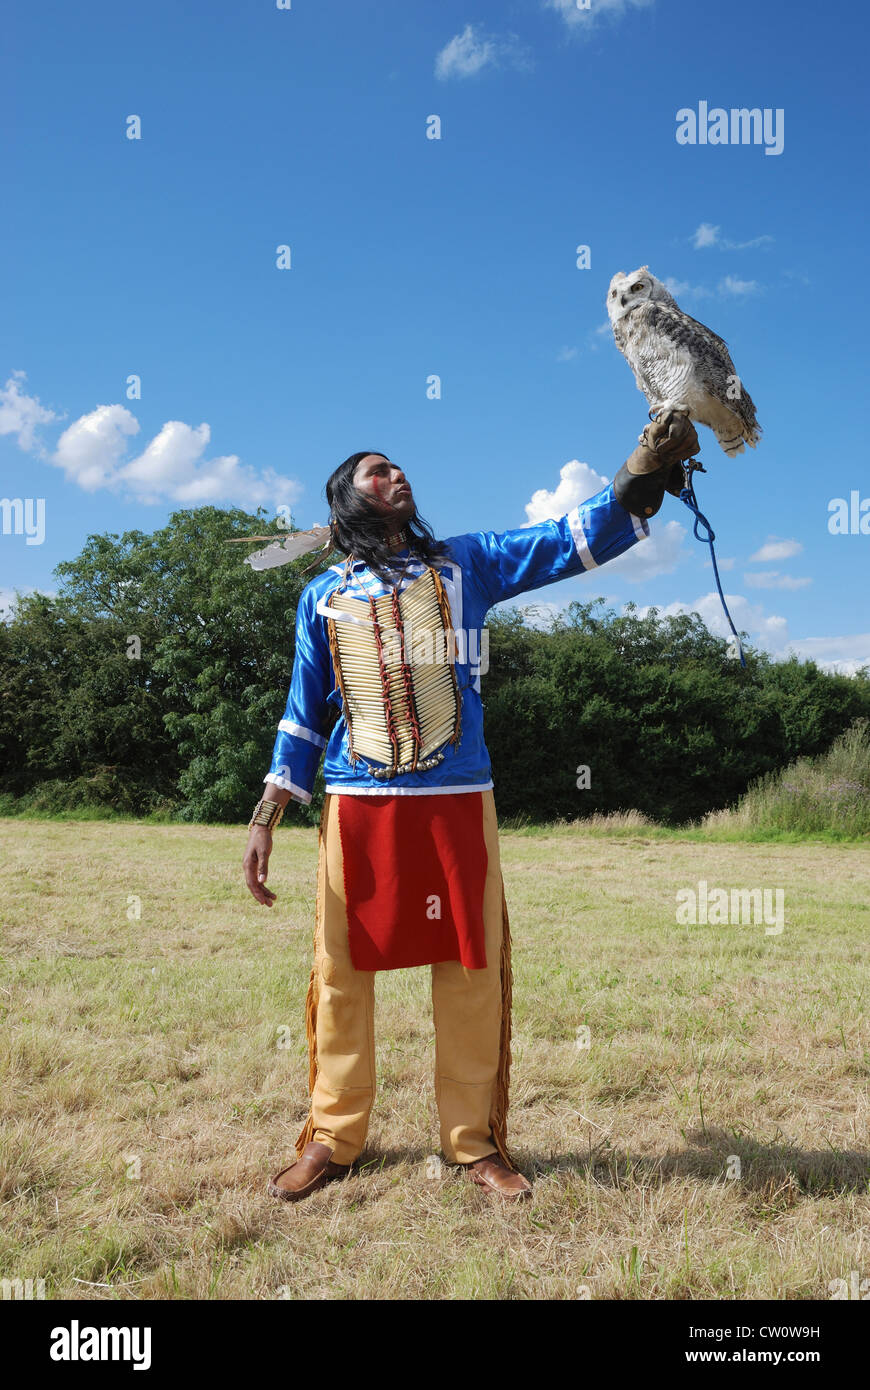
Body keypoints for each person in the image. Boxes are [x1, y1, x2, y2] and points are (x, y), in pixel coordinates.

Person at [242, 412, 699, 1203]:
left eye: (398, 467)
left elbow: (562, 540)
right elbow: (303, 712)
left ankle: (473, 1142)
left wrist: (640, 473)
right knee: (342, 972)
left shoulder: (466, 565)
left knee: (471, 969)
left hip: (457, 801)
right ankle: (333, 1138)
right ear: (348, 498)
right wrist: (265, 817)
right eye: (377, 470)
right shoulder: (321, 596)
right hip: (358, 804)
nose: (397, 475)